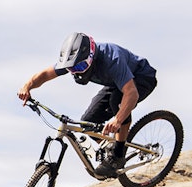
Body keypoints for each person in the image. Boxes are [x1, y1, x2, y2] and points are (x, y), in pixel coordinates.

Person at [17, 32, 158, 179]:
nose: (77, 71)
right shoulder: (73, 61)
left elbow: (131, 93)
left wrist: (117, 119)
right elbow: (45, 74)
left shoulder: (112, 59)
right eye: (72, 69)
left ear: (92, 57)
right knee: (88, 121)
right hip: (116, 83)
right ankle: (111, 147)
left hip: (142, 78)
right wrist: (27, 86)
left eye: (82, 66)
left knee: (118, 102)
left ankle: (118, 154)